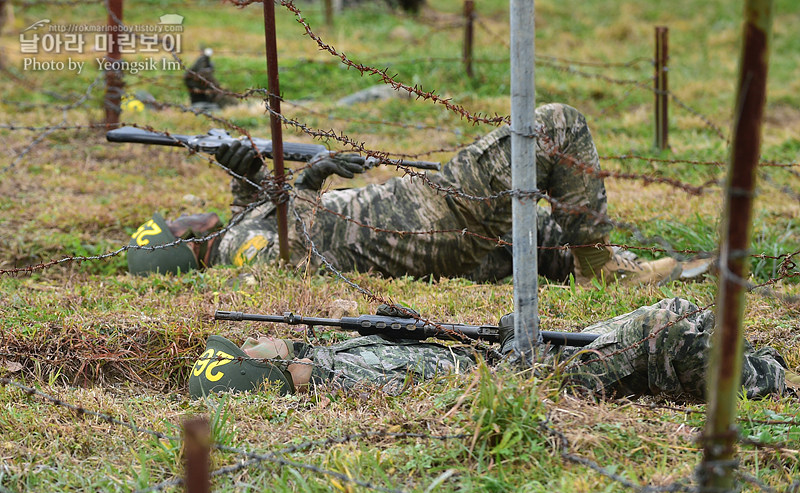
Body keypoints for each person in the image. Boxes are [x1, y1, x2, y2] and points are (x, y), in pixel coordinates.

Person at [128, 103, 694, 286]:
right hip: (427, 221)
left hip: (420, 228)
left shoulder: (232, 228)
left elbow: (258, 209)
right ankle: (601, 269)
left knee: (534, 238)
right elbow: (291, 257)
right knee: (553, 125)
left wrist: (242, 170)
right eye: (177, 226)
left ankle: (616, 265)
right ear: (186, 245)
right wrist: (308, 180)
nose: (185, 215)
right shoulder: (233, 251)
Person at [188, 298, 798, 401]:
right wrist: (512, 349)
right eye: (246, 347)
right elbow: (462, 381)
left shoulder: (327, 359)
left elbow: (437, 350)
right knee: (668, 324)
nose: (251, 338)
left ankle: (764, 368)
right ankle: (769, 383)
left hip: (527, 361)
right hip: (543, 379)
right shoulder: (350, 379)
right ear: (261, 368)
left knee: (682, 326)